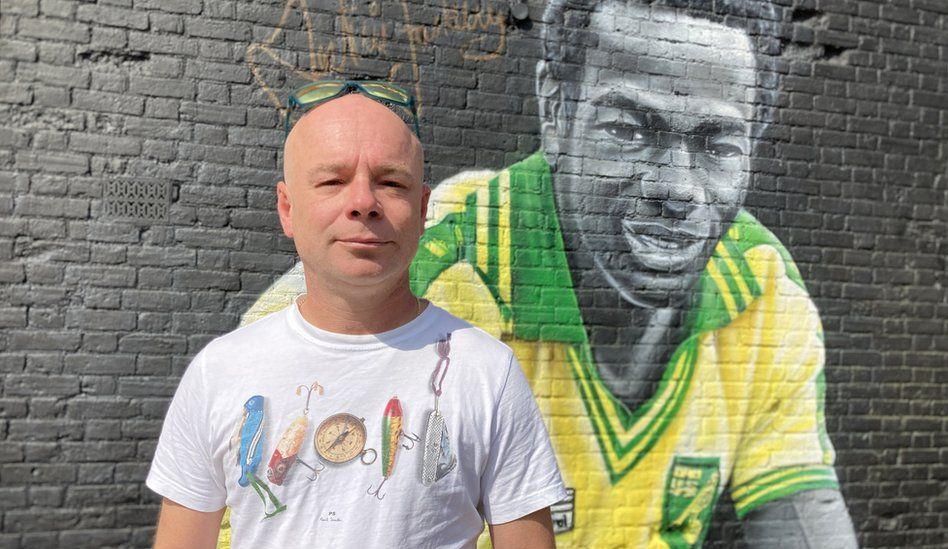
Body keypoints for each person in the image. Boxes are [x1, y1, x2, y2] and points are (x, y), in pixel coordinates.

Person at [244, 1, 859, 547]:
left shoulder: (760, 291)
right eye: (627, 130)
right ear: (556, 109)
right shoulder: (432, 272)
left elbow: (801, 514)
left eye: (718, 144)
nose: (676, 187)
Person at [146, 81, 566, 549]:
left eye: (391, 182)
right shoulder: (220, 370)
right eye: (332, 181)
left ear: (423, 209)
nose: (363, 202)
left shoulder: (489, 372)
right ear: (287, 208)